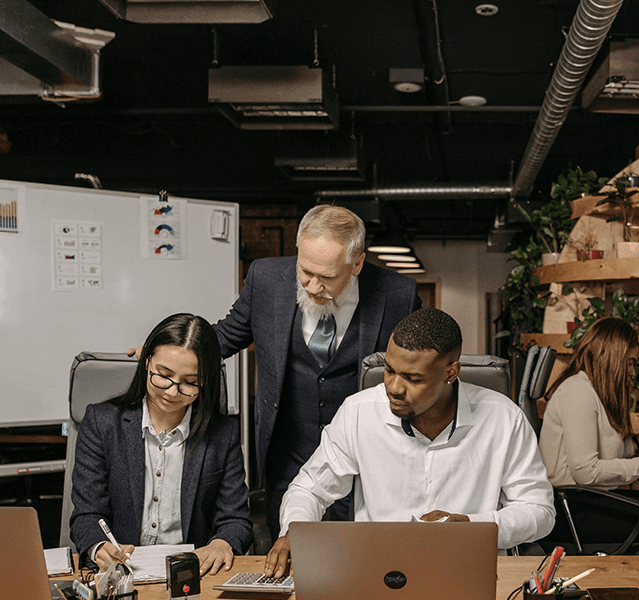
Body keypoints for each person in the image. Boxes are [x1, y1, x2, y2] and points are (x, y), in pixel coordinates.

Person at [264, 308, 555, 577]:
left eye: (412, 378)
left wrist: (471, 526)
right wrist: (295, 530)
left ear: (450, 374)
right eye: (390, 370)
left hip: (470, 570)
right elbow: (309, 490)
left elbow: (540, 511)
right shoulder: (358, 412)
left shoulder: (504, 419)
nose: (393, 387)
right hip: (376, 573)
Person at [212, 204, 421, 539]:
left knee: (358, 553)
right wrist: (167, 347)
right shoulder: (266, 279)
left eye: (327, 277)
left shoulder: (397, 294)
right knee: (288, 549)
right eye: (305, 271)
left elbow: (420, 366)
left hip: (363, 454)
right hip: (287, 450)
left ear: (357, 264)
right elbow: (225, 336)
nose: (311, 286)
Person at [71, 313, 253, 573]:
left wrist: (222, 543)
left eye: (189, 383)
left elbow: (236, 520)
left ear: (205, 382)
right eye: (163, 375)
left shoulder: (223, 434)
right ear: (146, 362)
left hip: (193, 573)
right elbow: (87, 514)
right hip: (124, 573)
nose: (171, 392)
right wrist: (99, 547)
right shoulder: (103, 423)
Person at [538, 317, 639, 548]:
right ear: (613, 359)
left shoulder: (590, 390)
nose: (632, 372)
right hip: (569, 510)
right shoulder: (578, 394)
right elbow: (586, 472)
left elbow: (598, 457)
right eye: (630, 363)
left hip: (584, 498)